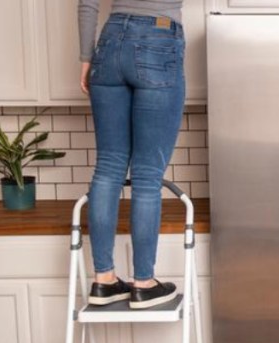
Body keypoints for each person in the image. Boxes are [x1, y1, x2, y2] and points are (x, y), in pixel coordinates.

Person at [78, 0, 185, 309]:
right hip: (159, 38)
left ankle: (104, 280)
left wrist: (86, 58)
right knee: (147, 175)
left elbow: (87, 3)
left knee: (108, 168)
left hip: (110, 42)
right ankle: (143, 283)